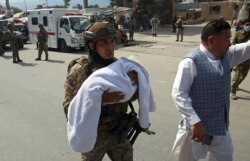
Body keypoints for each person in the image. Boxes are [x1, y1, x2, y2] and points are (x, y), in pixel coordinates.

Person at [63, 22, 144, 161]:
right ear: (91, 45)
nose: (110, 47)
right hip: (93, 136)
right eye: (104, 43)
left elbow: (132, 96)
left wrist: (135, 84)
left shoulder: (119, 66)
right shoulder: (80, 71)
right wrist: (99, 100)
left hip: (118, 132)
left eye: (112, 41)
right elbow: (69, 109)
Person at [171, 19, 250, 161]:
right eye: (227, 39)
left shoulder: (227, 55)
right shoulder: (190, 62)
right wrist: (195, 122)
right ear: (212, 41)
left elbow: (248, 48)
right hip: (196, 131)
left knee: (225, 155)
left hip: (220, 129)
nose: (230, 43)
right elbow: (178, 94)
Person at [231, 20, 250, 100]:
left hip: (248, 59)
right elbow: (233, 45)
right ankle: (233, 91)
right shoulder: (238, 33)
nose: (248, 26)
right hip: (240, 57)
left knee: (243, 75)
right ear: (244, 25)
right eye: (247, 25)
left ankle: (235, 84)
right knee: (238, 75)